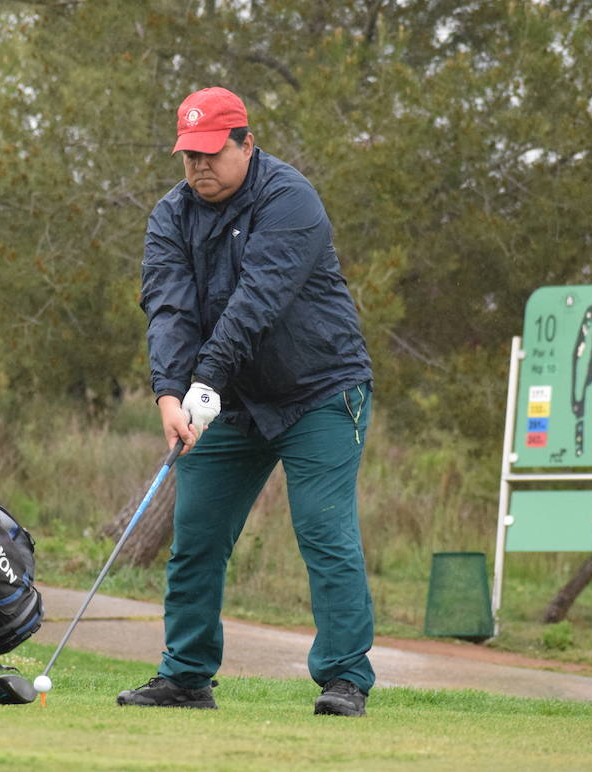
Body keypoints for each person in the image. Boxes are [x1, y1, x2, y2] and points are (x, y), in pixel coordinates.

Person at [120, 86, 376, 716]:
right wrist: (169, 394)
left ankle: (344, 678)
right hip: (231, 401)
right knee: (197, 536)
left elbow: (256, 303)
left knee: (323, 530)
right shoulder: (170, 216)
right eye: (189, 154)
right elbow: (170, 310)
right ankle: (185, 676)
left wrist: (203, 383)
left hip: (318, 391)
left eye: (212, 151)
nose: (199, 165)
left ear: (247, 144)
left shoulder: (291, 200)